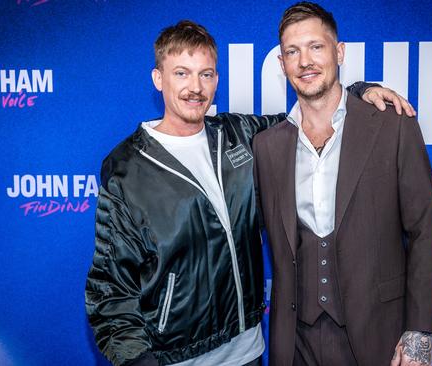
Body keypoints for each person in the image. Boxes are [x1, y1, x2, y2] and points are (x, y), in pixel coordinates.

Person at [85, 20, 414, 366]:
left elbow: (313, 113)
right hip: (176, 358)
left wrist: (360, 91)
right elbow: (110, 290)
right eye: (182, 73)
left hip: (249, 352)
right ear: (158, 79)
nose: (195, 88)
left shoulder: (239, 134)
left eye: (206, 74)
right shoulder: (127, 168)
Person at [252, 2, 432, 366]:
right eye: (292, 51)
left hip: (378, 335)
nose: (304, 61)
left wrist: (419, 331)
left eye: (316, 47)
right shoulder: (267, 145)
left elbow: (424, 232)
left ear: (339, 53)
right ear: (281, 65)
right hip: (294, 342)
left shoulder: (392, 126)